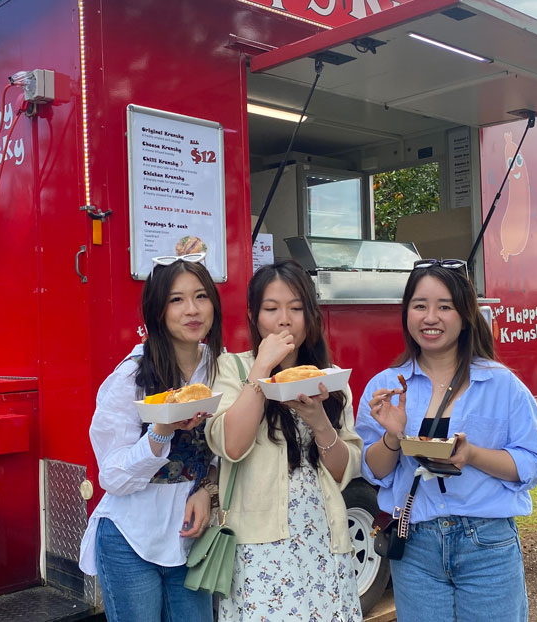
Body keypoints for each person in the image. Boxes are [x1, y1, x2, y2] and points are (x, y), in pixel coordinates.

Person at [356, 259, 537, 622]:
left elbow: (533, 465)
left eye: (444, 306)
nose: (431, 317)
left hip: (487, 544)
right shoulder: (385, 386)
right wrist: (393, 437)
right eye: (420, 306)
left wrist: (473, 455)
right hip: (415, 544)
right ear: (406, 314)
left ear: (465, 314)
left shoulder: (501, 384)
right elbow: (373, 472)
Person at [205, 260, 363, 621]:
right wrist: (261, 369)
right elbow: (231, 445)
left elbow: (344, 471)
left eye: (296, 308)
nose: (284, 320)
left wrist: (318, 420)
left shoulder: (329, 379)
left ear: (310, 315)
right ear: (253, 315)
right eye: (271, 309)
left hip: (324, 539)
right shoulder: (233, 368)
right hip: (259, 548)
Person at [78, 254, 223, 622]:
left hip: (191, 540)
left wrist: (208, 491)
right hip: (131, 539)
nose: (192, 309)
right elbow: (110, 476)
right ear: (158, 309)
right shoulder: (132, 377)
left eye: (201, 296)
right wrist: (160, 431)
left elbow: (228, 452)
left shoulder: (221, 369)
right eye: (177, 299)